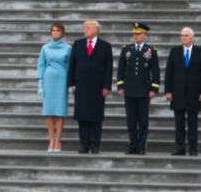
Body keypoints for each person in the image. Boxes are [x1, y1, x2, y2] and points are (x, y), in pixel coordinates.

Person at [67, 20, 114, 154]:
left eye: (88, 28)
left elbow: (109, 68)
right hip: (81, 84)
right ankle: (84, 144)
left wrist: (107, 86)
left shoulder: (105, 46)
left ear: (96, 30)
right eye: (84, 28)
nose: (85, 30)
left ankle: (94, 145)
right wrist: (71, 83)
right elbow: (72, 64)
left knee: (95, 116)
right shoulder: (77, 44)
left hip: (97, 86)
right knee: (82, 116)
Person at [164, 27, 201, 156]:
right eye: (182, 35)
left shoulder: (200, 52)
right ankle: (180, 148)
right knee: (179, 122)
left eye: (186, 35)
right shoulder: (174, 51)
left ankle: (193, 148)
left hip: (194, 93)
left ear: (192, 37)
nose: (183, 37)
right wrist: (168, 91)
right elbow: (169, 73)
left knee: (193, 122)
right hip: (177, 92)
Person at [117, 23, 161, 155]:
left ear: (144, 35)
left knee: (143, 120)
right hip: (129, 89)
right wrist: (120, 86)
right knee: (131, 120)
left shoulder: (151, 50)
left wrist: (154, 88)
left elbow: (156, 71)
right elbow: (121, 70)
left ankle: (141, 146)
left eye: (138, 34)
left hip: (144, 90)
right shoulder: (126, 49)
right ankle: (132, 145)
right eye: (134, 34)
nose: (135, 36)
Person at [37, 22, 71, 153]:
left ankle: (58, 141)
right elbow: (41, 66)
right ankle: (51, 140)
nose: (55, 32)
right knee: (49, 112)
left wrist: (71, 84)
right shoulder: (45, 48)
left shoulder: (68, 48)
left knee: (60, 112)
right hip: (49, 80)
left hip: (62, 80)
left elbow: (70, 67)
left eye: (57, 30)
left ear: (62, 32)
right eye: (53, 30)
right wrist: (40, 84)